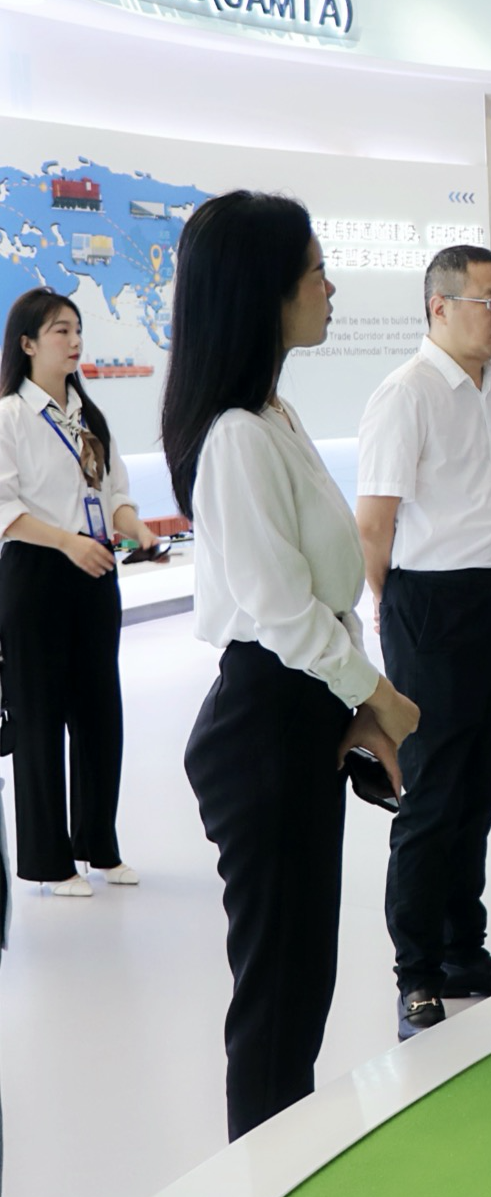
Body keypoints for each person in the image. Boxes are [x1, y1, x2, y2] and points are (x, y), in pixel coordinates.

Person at [163, 191, 422, 1139]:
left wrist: (354, 704)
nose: (330, 287)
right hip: (265, 721)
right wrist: (380, 696)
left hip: (299, 712)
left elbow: (323, 596)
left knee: (301, 980)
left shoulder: (271, 413)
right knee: (278, 993)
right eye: (316, 271)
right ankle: (259, 1192)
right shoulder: (237, 434)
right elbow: (281, 609)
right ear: (262, 290)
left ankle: (279, 1170)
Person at [355, 245, 491, 1040]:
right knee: (430, 793)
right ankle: (417, 973)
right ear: (439, 307)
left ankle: (465, 950)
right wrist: (392, 615)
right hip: (430, 606)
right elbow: (374, 525)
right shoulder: (407, 393)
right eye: (488, 301)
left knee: (482, 782)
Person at [1, 289, 156, 896]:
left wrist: (138, 529)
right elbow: (5, 509)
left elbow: (114, 494)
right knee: (40, 719)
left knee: (99, 714)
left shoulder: (90, 417)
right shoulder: (11, 416)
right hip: (36, 575)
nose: (75, 340)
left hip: (95, 574)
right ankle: (50, 861)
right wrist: (67, 542)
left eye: (77, 329)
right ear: (27, 343)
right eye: (60, 331)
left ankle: (99, 846)